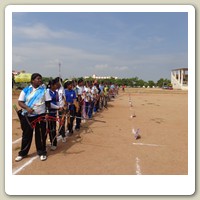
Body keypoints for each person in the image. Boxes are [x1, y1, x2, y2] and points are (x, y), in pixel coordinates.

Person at [15, 73, 51, 162]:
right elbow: (20, 102)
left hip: (40, 115)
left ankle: (42, 152)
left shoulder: (44, 90)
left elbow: (48, 103)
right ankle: (23, 153)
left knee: (41, 135)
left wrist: (47, 113)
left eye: (40, 79)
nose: (40, 80)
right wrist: (27, 108)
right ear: (32, 80)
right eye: (38, 79)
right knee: (26, 135)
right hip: (27, 116)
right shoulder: (25, 90)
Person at [46, 79, 63, 150]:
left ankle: (54, 143)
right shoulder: (47, 91)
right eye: (56, 84)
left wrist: (61, 107)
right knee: (48, 128)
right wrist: (58, 107)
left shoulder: (56, 92)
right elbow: (49, 104)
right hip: (48, 113)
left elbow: (57, 101)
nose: (58, 86)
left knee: (53, 128)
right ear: (52, 85)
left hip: (54, 113)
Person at [54, 77, 67, 142]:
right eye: (58, 82)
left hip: (61, 108)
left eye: (60, 82)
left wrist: (64, 106)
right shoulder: (53, 88)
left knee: (62, 121)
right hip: (54, 107)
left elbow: (64, 98)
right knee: (55, 122)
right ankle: (58, 132)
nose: (59, 84)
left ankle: (63, 136)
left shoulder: (62, 89)